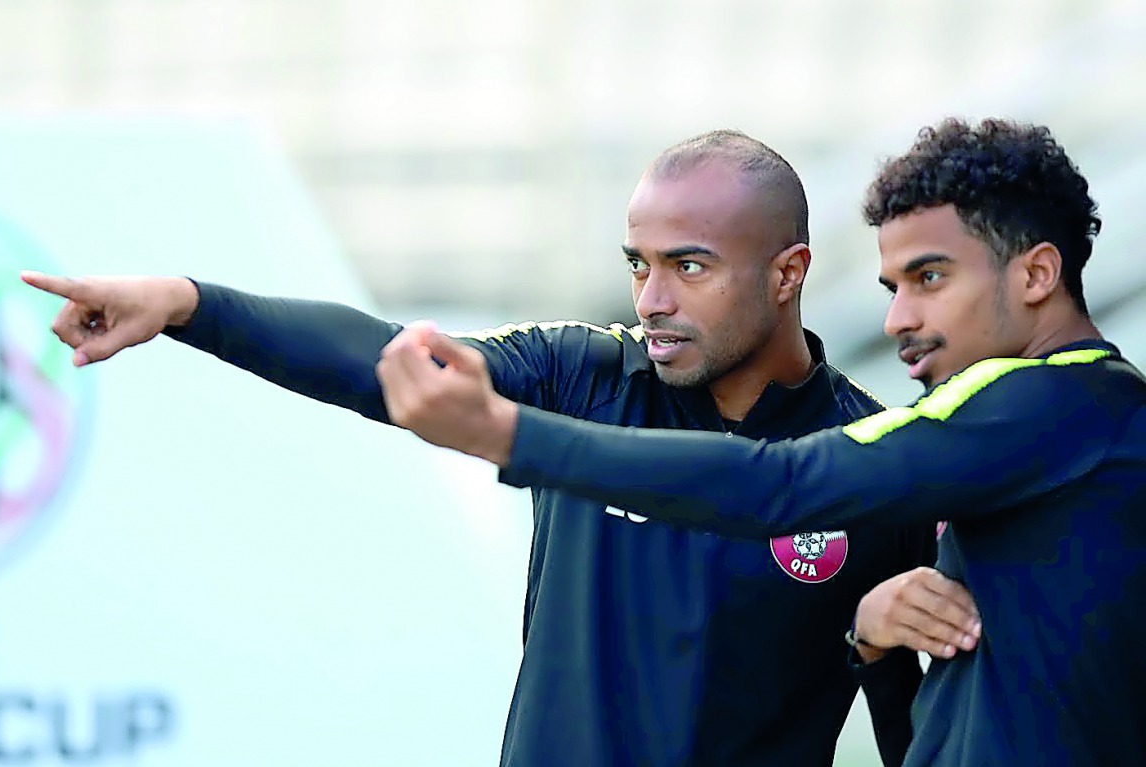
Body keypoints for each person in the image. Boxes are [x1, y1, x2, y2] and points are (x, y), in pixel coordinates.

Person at [23, 131, 972, 767]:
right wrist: (189, 305)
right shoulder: (583, 374)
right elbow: (387, 361)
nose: (652, 300)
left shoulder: (871, 461)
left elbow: (911, 735)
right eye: (639, 265)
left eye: (690, 267)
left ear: (788, 274)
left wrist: (873, 648)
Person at [374, 118, 1146, 766]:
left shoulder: (1041, 404)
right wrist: (873, 640)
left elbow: (775, 483)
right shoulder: (1027, 441)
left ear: (1038, 273)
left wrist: (509, 433)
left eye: (930, 278)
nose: (897, 319)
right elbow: (946, 723)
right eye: (892, 287)